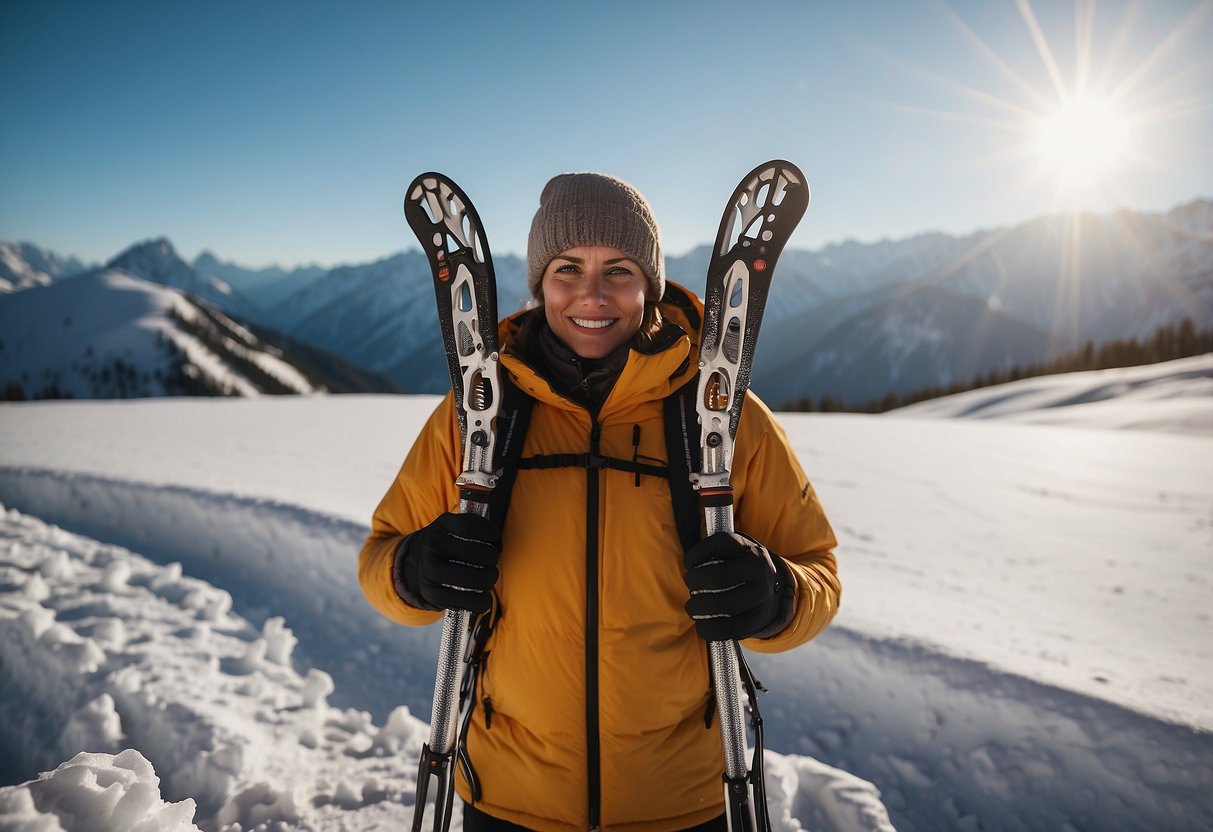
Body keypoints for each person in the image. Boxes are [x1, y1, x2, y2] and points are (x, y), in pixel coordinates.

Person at [359, 173, 841, 831]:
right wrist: (414, 571)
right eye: (566, 269)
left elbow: (817, 572)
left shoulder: (717, 415)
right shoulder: (479, 415)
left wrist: (777, 592)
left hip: (680, 801)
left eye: (617, 269)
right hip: (507, 794)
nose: (591, 293)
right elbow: (380, 558)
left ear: (649, 283)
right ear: (538, 283)